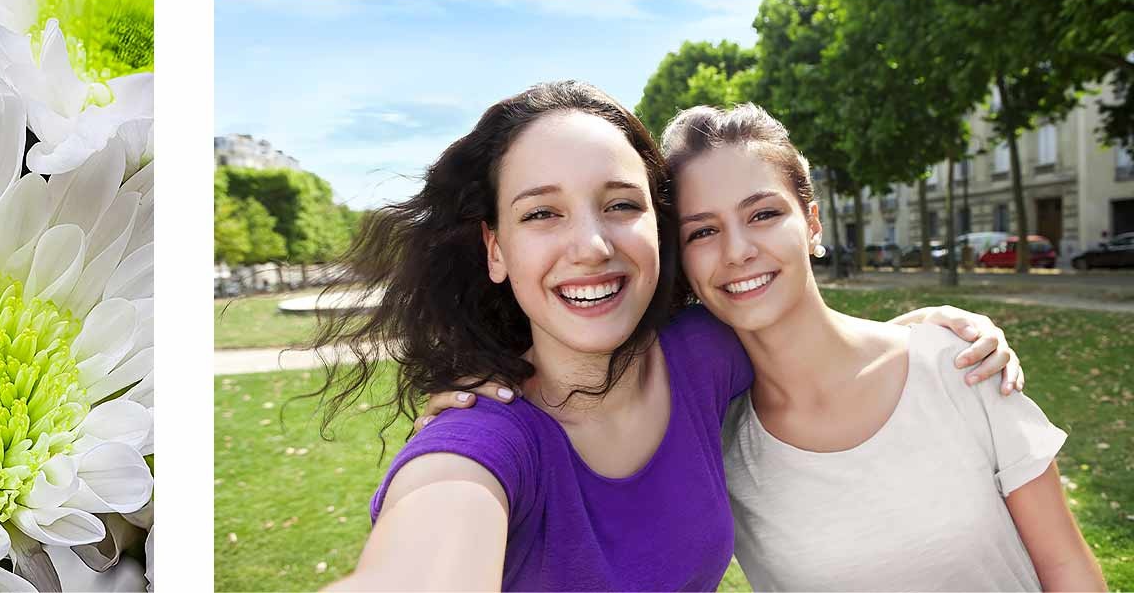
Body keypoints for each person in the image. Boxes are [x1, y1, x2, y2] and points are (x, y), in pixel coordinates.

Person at [326, 82, 1023, 592]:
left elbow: (806, 333)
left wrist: (927, 329)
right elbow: (428, 544)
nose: (592, 245)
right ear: (495, 249)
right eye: (542, 213)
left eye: (620, 204)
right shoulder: (482, 438)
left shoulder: (702, 354)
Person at [666, 102, 1103, 591]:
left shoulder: (959, 362)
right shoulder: (717, 448)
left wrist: (921, 334)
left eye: (763, 214)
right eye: (703, 231)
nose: (737, 251)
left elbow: (1066, 567)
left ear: (812, 223)